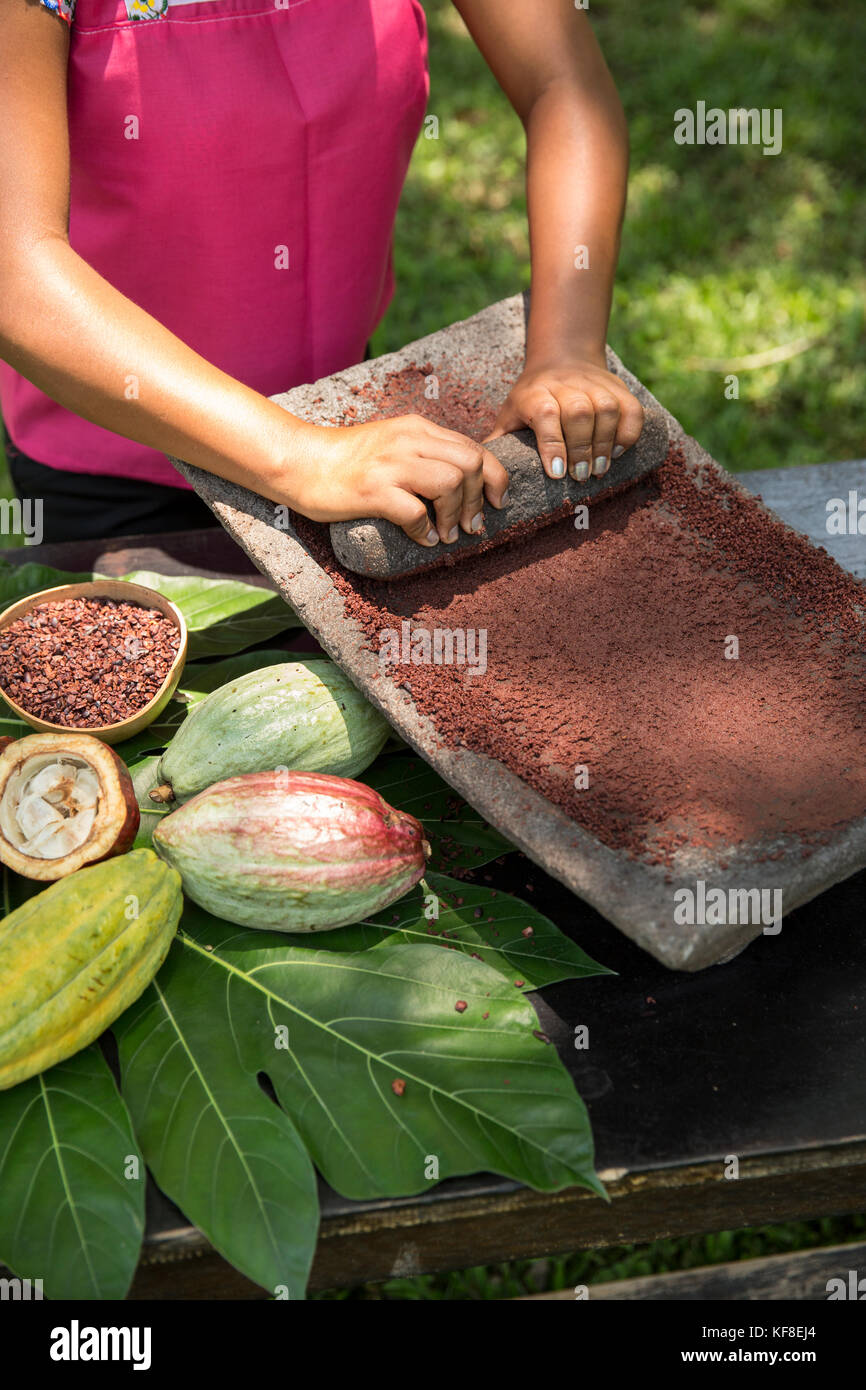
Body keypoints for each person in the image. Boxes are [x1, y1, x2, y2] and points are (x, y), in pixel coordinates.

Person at [0, 0, 644, 547]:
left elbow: (563, 86)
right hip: (121, 473)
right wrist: (300, 457)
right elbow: (14, 264)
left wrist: (567, 349)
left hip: (349, 419)